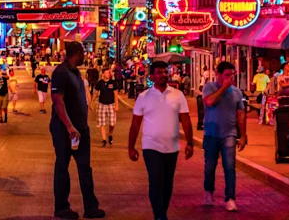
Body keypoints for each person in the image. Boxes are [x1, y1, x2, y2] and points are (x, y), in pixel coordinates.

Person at [128, 60, 194, 220]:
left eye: (165, 72)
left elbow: (185, 119)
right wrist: (131, 147)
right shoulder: (144, 97)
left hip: (172, 147)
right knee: (156, 181)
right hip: (151, 146)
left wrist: (190, 143)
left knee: (167, 184)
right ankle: (159, 215)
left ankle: (162, 211)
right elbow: (135, 124)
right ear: (152, 76)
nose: (163, 75)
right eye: (159, 72)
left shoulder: (178, 95)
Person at [50, 41, 104, 219]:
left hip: (81, 129)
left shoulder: (75, 72)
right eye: (84, 53)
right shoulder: (61, 72)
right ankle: (61, 208)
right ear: (78, 53)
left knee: (85, 168)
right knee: (62, 167)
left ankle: (90, 207)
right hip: (64, 129)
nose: (86, 56)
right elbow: (58, 100)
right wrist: (69, 126)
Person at [202, 60, 247, 212]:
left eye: (232, 75)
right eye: (226, 75)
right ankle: (209, 192)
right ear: (218, 75)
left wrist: (243, 135)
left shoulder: (237, 92)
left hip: (229, 134)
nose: (229, 78)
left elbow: (241, 114)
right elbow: (209, 101)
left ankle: (230, 198)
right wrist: (223, 89)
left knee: (229, 166)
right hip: (211, 134)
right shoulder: (209, 87)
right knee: (210, 166)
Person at [92, 68, 120, 147]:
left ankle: (110, 134)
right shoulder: (99, 83)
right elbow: (96, 93)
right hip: (101, 104)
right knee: (102, 122)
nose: (108, 74)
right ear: (103, 74)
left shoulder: (113, 83)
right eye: (107, 73)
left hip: (111, 104)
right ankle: (104, 139)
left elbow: (115, 94)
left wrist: (116, 105)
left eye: (109, 73)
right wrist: (91, 102)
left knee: (112, 122)